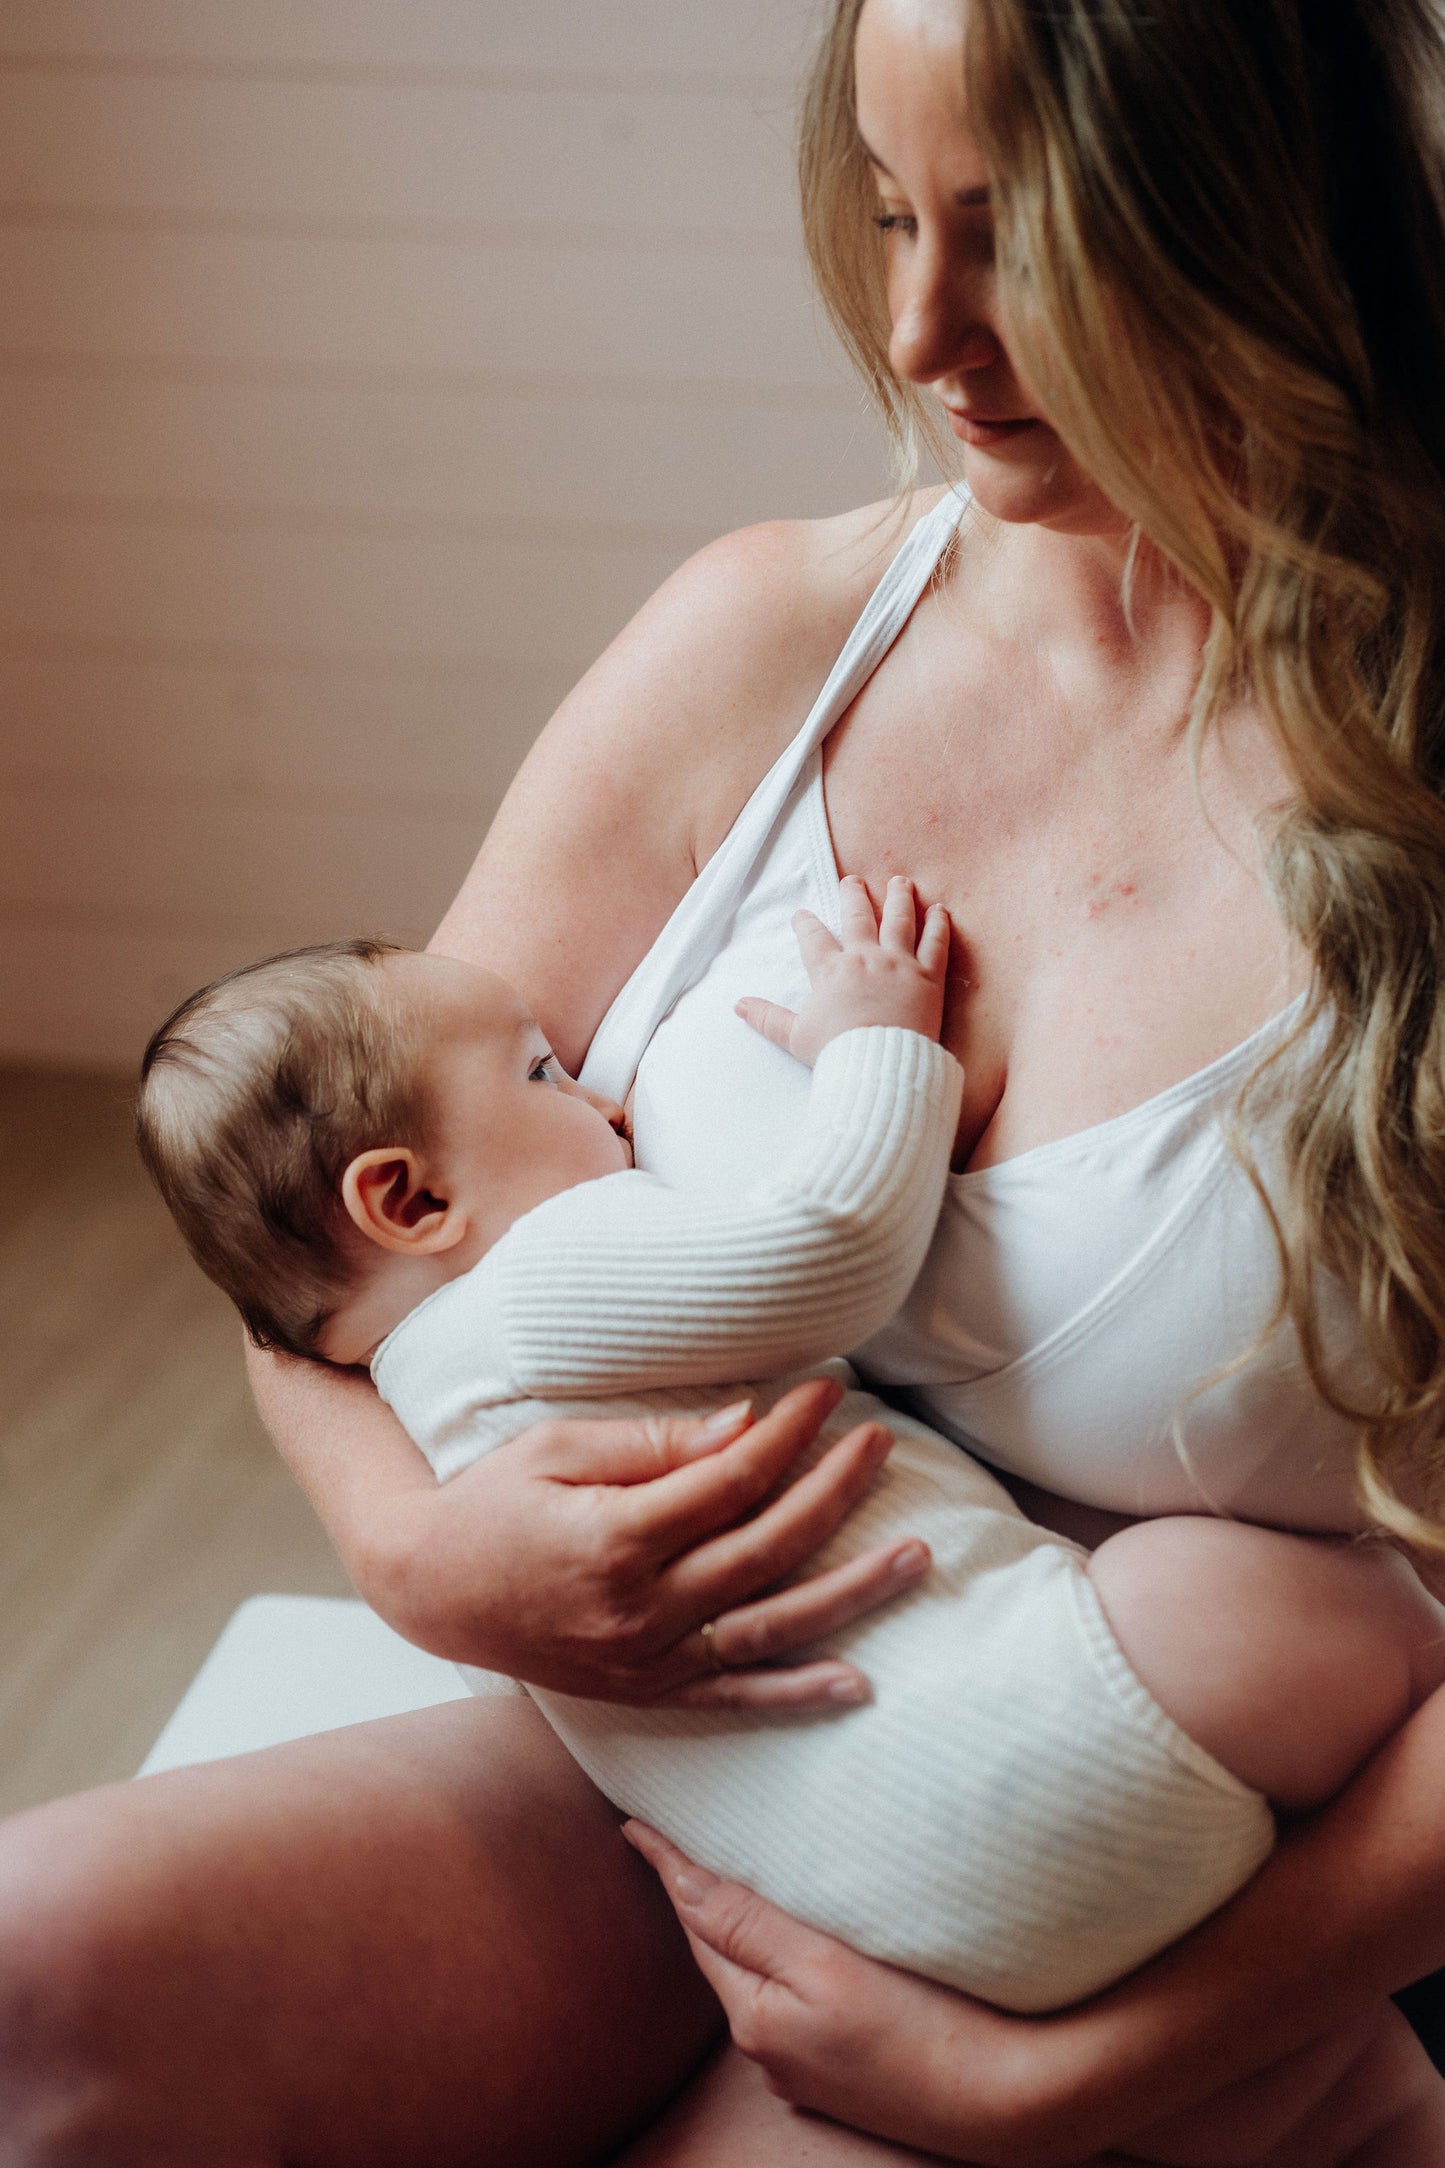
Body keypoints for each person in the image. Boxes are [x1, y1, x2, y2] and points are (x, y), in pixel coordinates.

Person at [3, 0, 1445, 2158]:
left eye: (1014, 238)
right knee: (34, 1986)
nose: (920, 331)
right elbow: (325, 1237)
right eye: (883, 216)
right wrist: (419, 1555)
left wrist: (1069, 2074)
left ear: (1256, 222)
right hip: (697, 1749)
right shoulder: (760, 648)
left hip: (1139, 1846)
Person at [134, 915, 1445, 2025]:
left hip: (910, 1920)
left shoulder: (429, 1414)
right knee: (1269, 1586)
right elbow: (824, 1251)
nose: (603, 1100)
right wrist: (876, 1045)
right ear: (409, 1204)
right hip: (1057, 1746)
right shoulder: (534, 1283)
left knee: (1315, 2111)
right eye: (542, 1080)